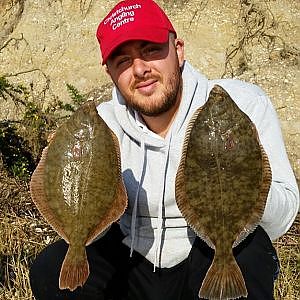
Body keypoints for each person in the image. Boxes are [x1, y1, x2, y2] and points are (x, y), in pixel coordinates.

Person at [29, 0, 299, 299]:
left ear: (179, 50)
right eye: (123, 61)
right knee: (51, 268)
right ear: (110, 74)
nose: (140, 69)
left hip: (202, 253)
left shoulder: (242, 106)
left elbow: (281, 219)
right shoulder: (100, 127)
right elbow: (81, 209)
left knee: (248, 253)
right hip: (131, 259)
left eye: (150, 50)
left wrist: (251, 178)